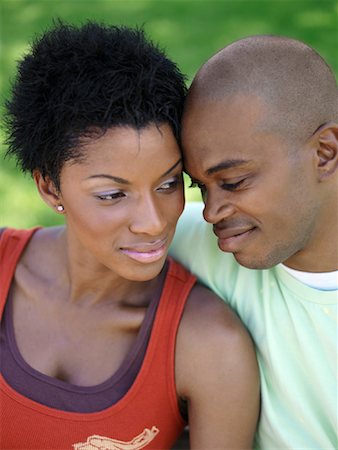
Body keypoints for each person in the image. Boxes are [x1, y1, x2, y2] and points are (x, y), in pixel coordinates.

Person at [0, 22, 259, 450]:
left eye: (168, 183)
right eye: (113, 194)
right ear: (49, 186)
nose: (153, 222)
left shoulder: (208, 346)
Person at [170, 35, 338, 449]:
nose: (211, 211)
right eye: (201, 187)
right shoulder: (194, 244)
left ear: (326, 153)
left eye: (233, 182)